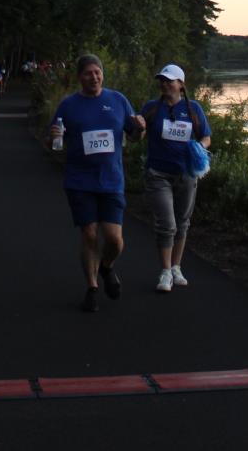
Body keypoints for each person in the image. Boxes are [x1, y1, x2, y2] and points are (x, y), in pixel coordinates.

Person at [49, 53, 146, 312]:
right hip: (79, 181)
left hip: (111, 180)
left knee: (114, 240)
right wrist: (55, 136)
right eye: (88, 73)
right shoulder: (69, 106)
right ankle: (91, 288)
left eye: (97, 72)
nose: (94, 77)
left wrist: (141, 128)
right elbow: (55, 141)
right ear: (80, 77)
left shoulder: (118, 100)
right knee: (89, 233)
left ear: (102, 74)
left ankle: (106, 267)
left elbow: (134, 136)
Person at [140, 64, 211, 293]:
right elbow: (137, 135)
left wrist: (199, 148)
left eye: (169, 80)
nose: (164, 84)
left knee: (182, 222)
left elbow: (206, 136)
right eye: (162, 80)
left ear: (181, 84)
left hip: (186, 174)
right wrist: (138, 128)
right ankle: (165, 271)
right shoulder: (152, 108)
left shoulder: (193, 109)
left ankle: (176, 267)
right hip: (158, 174)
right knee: (166, 224)